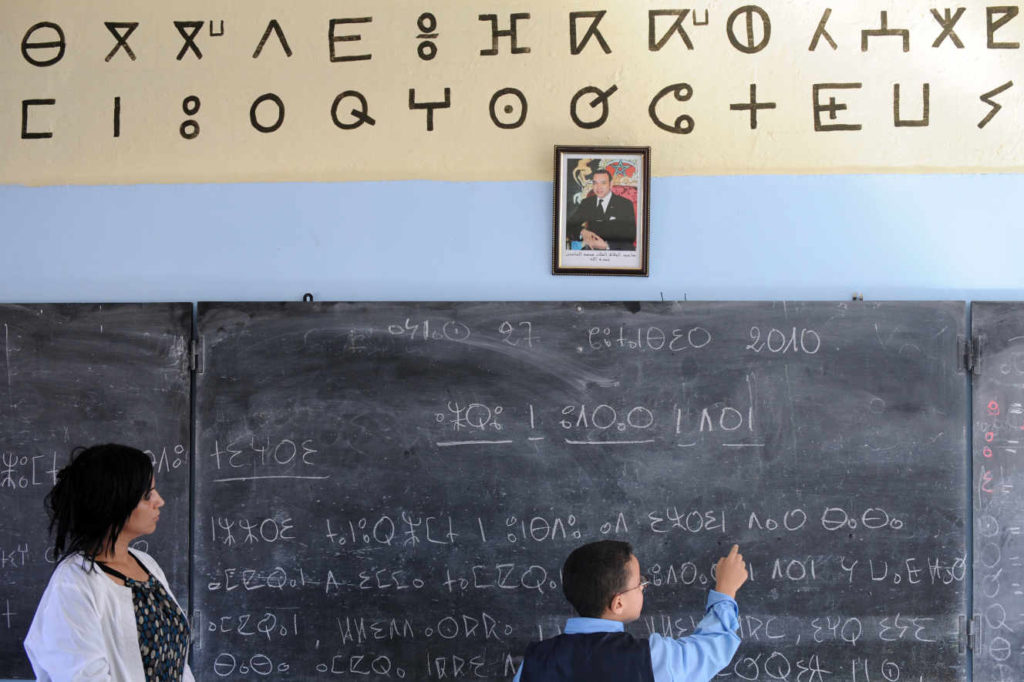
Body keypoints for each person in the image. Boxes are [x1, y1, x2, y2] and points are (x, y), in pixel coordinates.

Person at [24, 444, 194, 682]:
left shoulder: (147, 565)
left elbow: (177, 662)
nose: (160, 501)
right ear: (115, 503)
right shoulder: (75, 584)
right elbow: (80, 676)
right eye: (148, 495)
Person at [513, 540, 747, 682]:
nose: (643, 587)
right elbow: (712, 648)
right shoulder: (651, 658)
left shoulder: (535, 660)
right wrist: (725, 591)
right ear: (618, 604)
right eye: (640, 583)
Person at [566, 169, 638, 251]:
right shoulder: (587, 203)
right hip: (592, 250)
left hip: (617, 250)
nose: (598, 187)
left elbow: (631, 235)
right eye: (595, 183)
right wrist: (582, 232)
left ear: (610, 184)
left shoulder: (625, 204)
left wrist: (606, 246)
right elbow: (569, 225)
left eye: (603, 183)